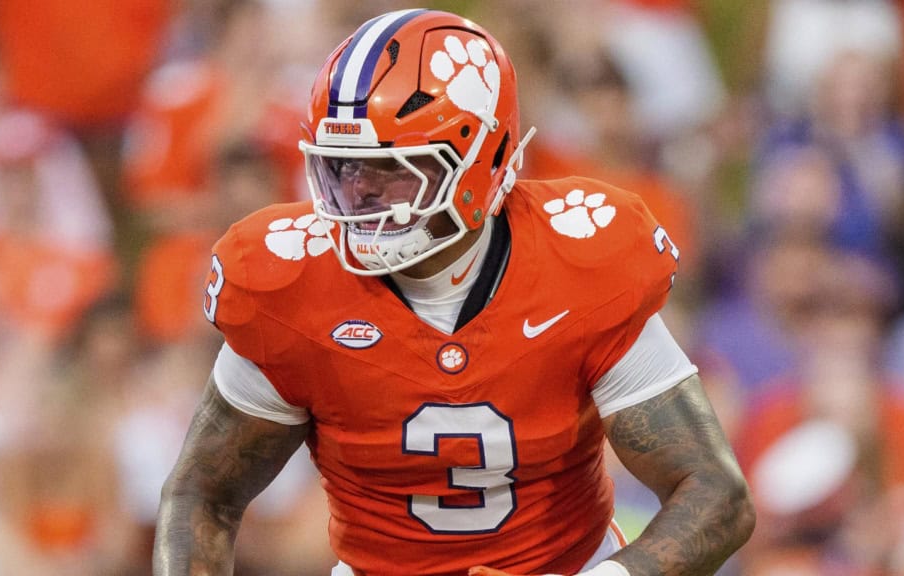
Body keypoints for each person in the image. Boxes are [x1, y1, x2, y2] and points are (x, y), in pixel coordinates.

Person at [154, 9, 755, 576]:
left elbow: (715, 492)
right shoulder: (289, 281)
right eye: (343, 169)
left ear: (482, 159)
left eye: (393, 172)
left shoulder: (580, 260)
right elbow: (202, 493)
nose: (360, 197)